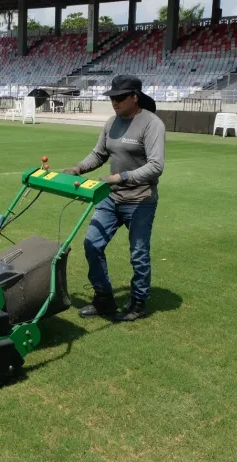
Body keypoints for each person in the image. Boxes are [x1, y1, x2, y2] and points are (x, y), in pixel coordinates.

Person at [62, 75, 166, 322]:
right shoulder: (111, 123)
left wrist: (122, 177)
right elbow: (99, 154)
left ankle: (138, 303)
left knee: (138, 253)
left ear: (135, 97)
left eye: (120, 98)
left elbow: (156, 166)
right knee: (92, 244)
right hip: (112, 198)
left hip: (141, 199)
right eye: (112, 98)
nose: (115, 102)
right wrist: (78, 168)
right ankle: (104, 299)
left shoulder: (152, 124)